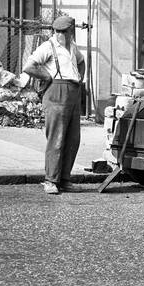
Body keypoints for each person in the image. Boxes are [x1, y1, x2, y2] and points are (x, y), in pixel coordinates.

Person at [22, 14, 86, 195]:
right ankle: (51, 180)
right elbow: (29, 66)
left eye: (63, 31)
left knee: (73, 139)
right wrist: (46, 76)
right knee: (56, 139)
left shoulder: (72, 47)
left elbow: (81, 62)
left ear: (71, 31)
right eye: (57, 31)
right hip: (56, 92)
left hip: (73, 92)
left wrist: (80, 78)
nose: (60, 34)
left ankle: (65, 179)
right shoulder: (48, 46)